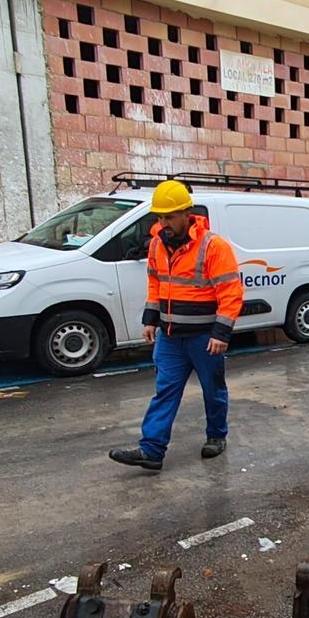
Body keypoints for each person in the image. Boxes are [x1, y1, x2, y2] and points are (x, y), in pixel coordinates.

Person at [109, 180, 243, 471]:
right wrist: (150, 320)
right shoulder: (157, 244)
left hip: (204, 337)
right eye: (159, 217)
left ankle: (216, 436)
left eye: (169, 217)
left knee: (213, 390)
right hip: (170, 337)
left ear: (186, 213)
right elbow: (156, 282)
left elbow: (230, 292)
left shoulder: (213, 246)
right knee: (165, 391)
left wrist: (221, 333)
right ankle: (151, 450)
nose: (164, 223)